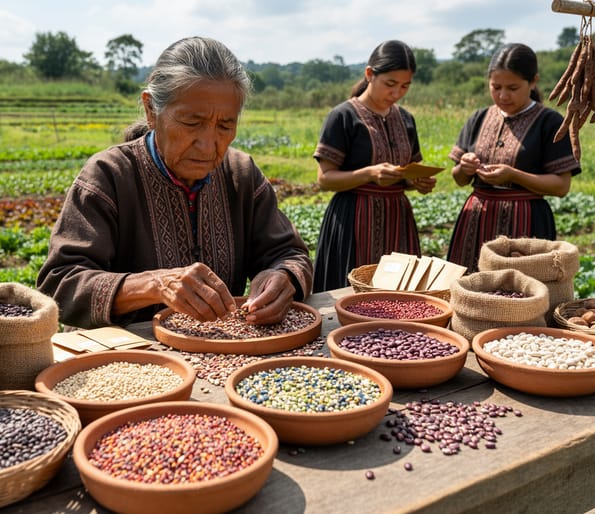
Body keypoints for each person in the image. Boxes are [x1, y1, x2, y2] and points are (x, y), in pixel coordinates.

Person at [36, 36, 313, 329]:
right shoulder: (108, 176)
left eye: (225, 125)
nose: (208, 146)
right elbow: (59, 285)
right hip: (124, 356)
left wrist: (283, 277)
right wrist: (153, 284)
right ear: (151, 110)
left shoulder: (240, 175)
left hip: (217, 351)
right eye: (192, 123)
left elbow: (290, 254)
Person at [311, 40, 435, 293]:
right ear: (370, 74)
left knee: (400, 296)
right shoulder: (344, 116)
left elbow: (410, 169)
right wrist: (370, 173)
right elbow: (325, 178)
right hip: (354, 219)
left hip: (397, 219)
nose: (397, 92)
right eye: (390, 84)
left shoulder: (406, 119)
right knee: (351, 293)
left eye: (405, 86)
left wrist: (417, 181)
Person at [447, 43, 581, 273]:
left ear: (533, 81)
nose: (503, 95)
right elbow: (459, 179)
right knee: (470, 287)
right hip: (476, 220)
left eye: (512, 88)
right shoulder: (478, 118)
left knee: (520, 295)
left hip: (526, 224)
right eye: (495, 87)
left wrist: (513, 175)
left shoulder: (549, 122)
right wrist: (464, 167)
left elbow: (561, 186)